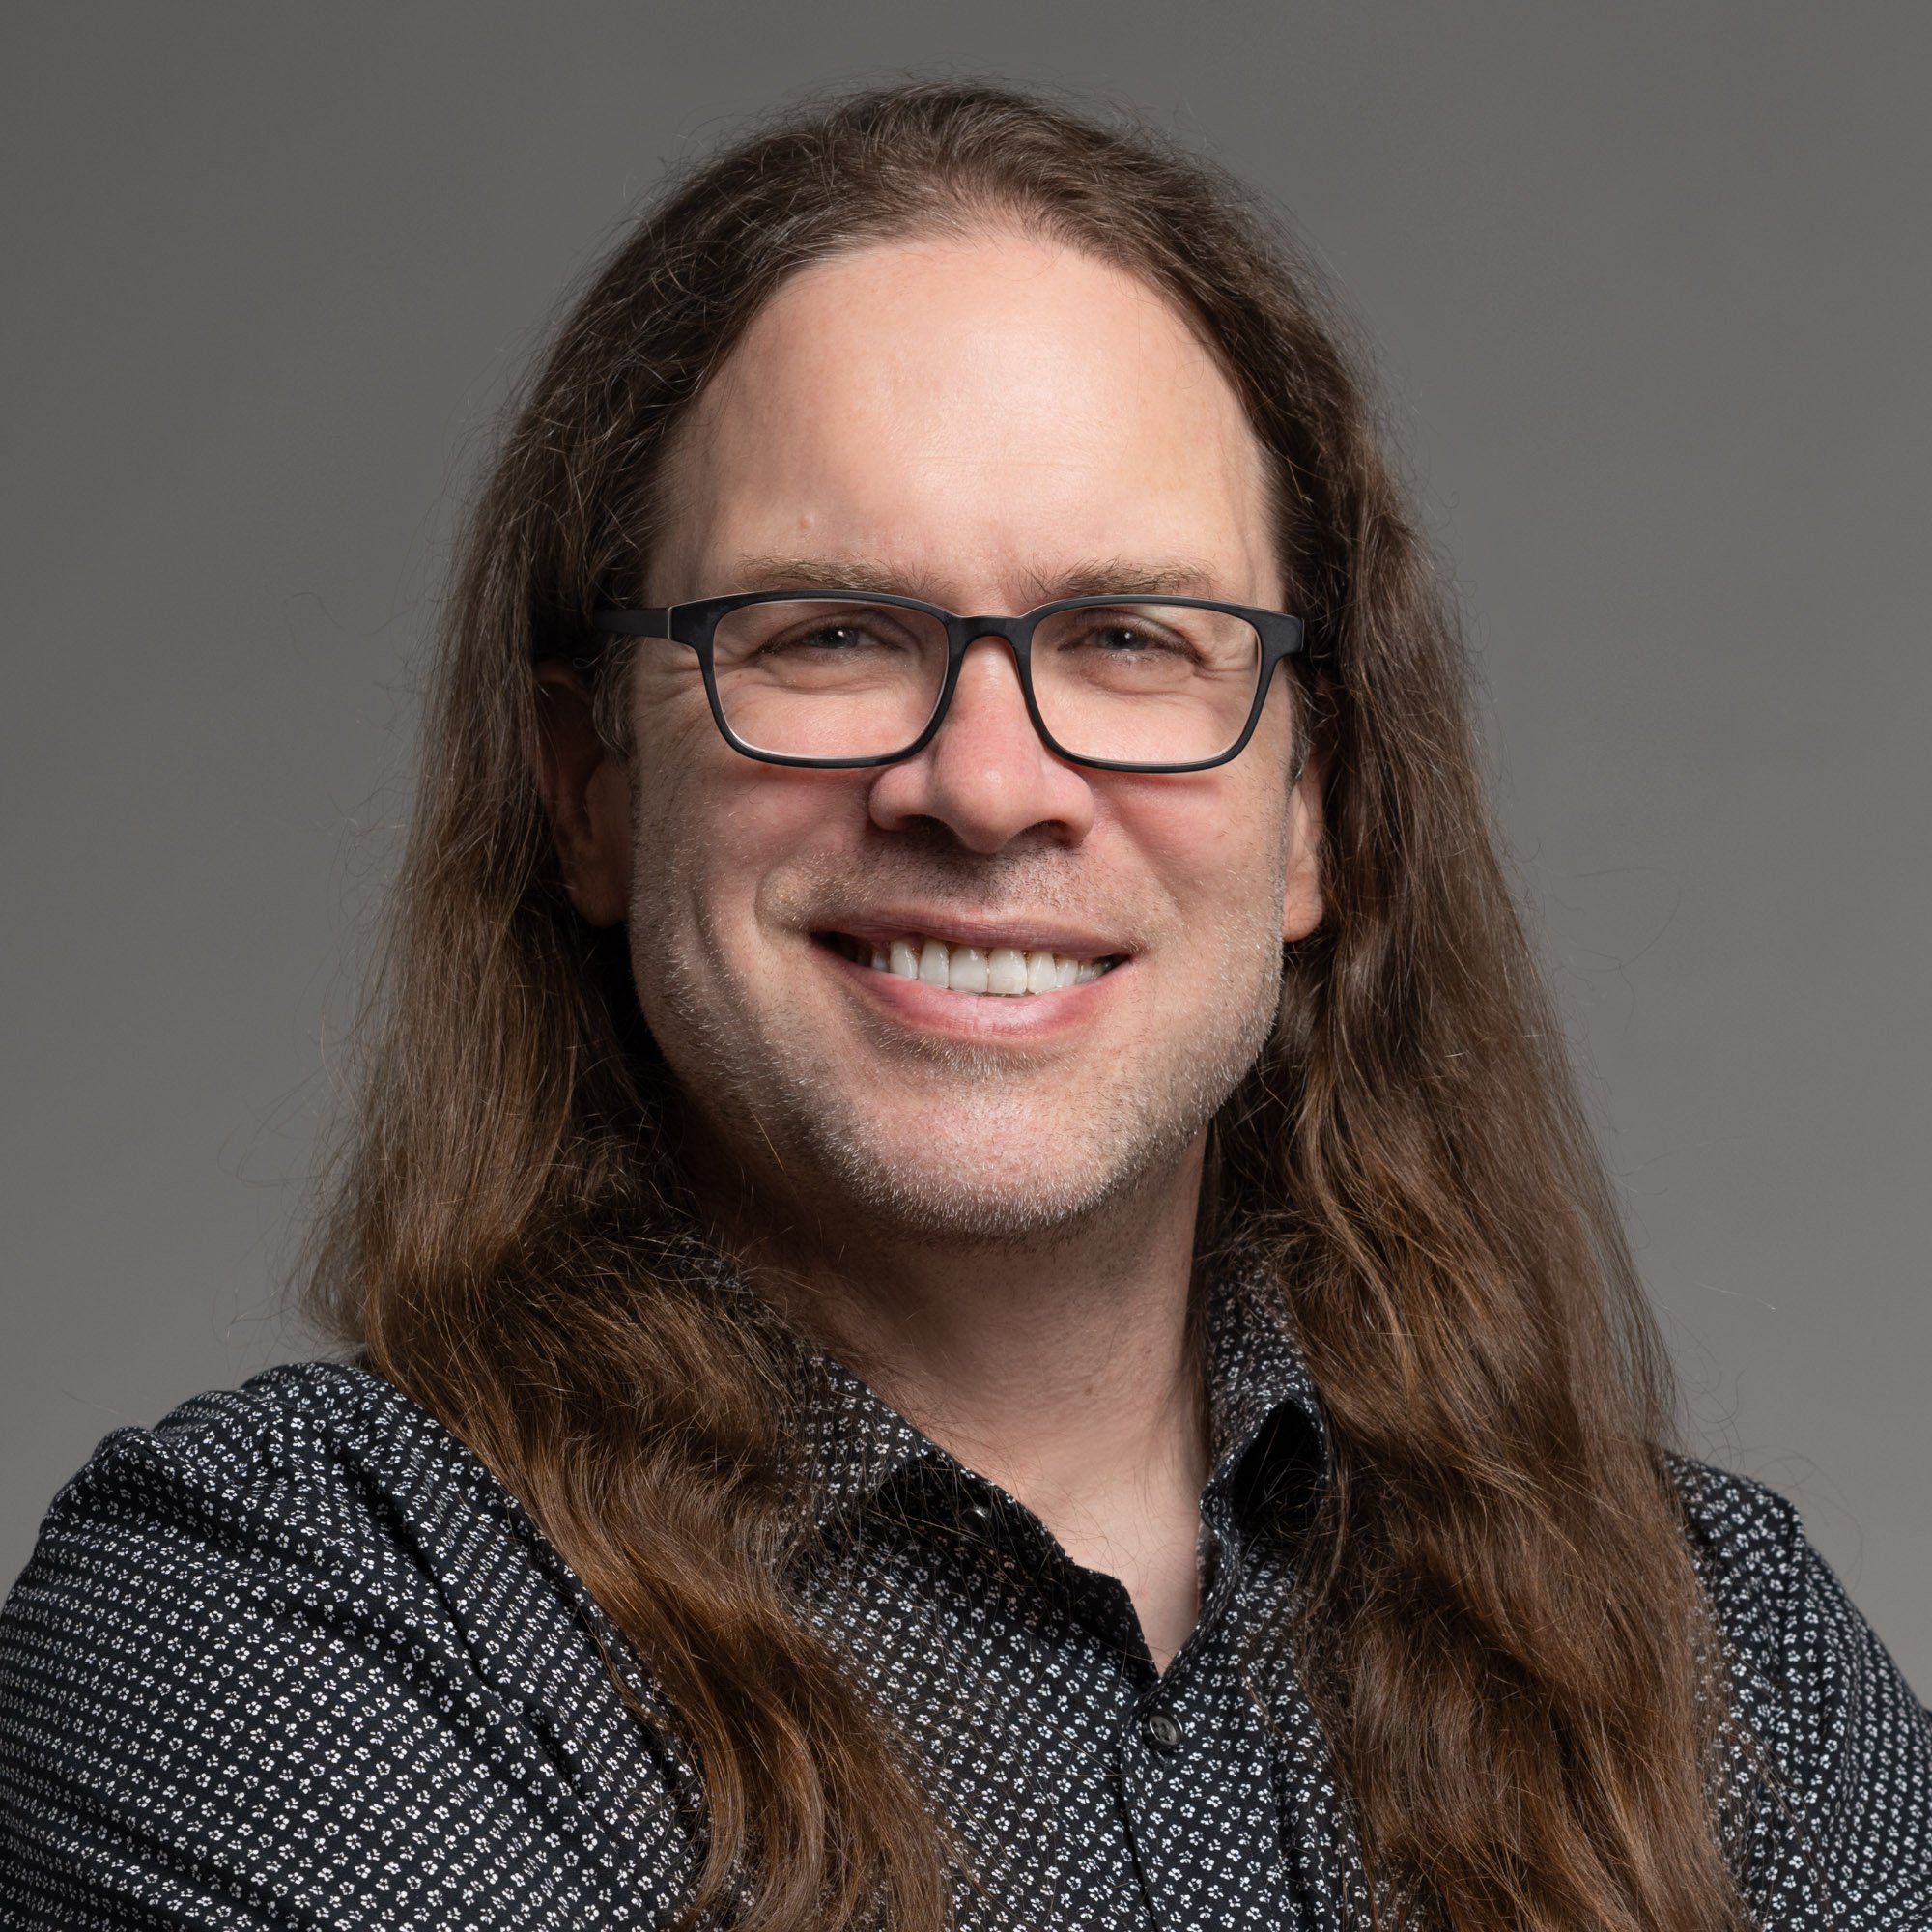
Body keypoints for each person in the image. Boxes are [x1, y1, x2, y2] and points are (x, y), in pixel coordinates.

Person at [1, 80, 1926, 1932]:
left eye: (1129, 641)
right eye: (829, 633)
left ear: (1313, 818)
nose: (988, 783)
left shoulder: (1723, 1656)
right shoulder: (282, 1611)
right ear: (584, 782)